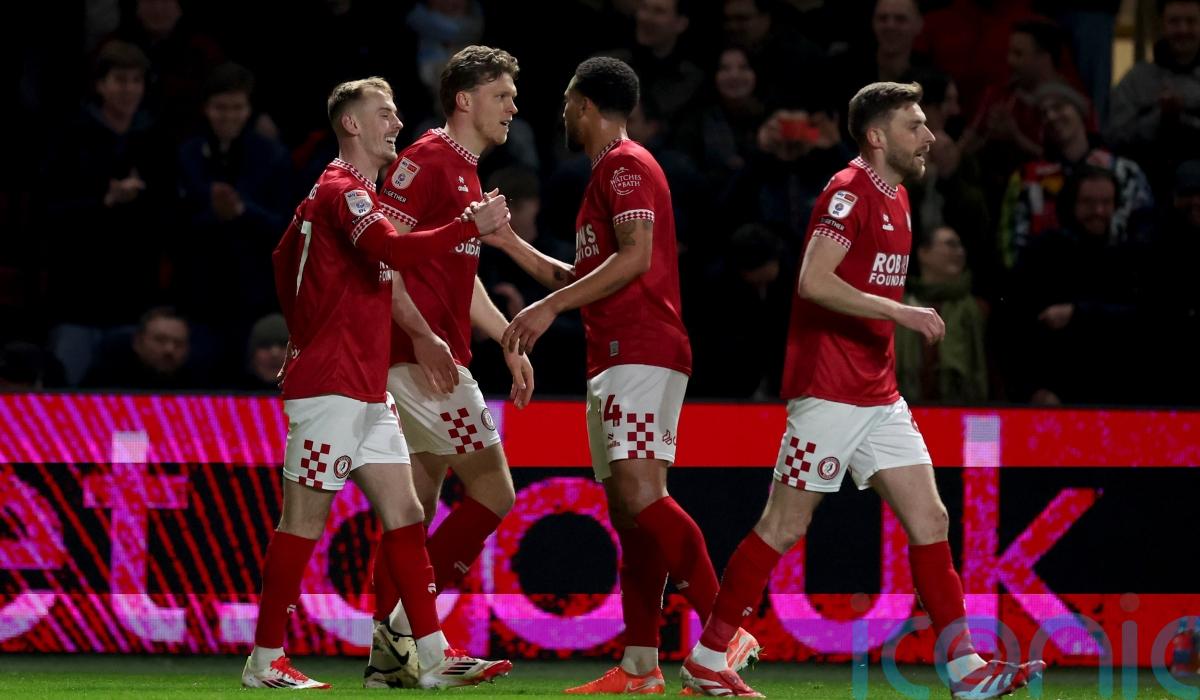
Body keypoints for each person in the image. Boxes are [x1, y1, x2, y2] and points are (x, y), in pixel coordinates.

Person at [678, 82, 1045, 698]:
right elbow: (813, 280)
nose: (929, 136)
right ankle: (709, 658)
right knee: (782, 526)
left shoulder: (897, 194)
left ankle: (966, 673)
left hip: (878, 394)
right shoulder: (847, 192)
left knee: (931, 517)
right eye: (915, 125)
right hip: (828, 391)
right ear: (877, 136)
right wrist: (900, 312)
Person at [483, 56, 759, 695]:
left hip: (641, 347)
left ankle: (724, 630)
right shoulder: (605, 174)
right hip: (614, 353)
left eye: (566, 101)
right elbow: (583, 277)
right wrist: (509, 243)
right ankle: (640, 665)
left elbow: (635, 259)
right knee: (631, 514)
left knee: (642, 496)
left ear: (584, 103)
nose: (562, 112)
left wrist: (549, 307)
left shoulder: (627, 165)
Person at [241, 76, 512, 690]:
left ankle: (432, 657)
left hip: (367, 388)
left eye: (395, 114)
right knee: (302, 523)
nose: (396, 124)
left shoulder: (351, 196)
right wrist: (467, 225)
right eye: (384, 115)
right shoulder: (343, 191)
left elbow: (287, 263)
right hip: (331, 386)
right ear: (352, 124)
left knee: (407, 512)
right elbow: (396, 249)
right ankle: (264, 660)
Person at [365, 45, 535, 689]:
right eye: (502, 95)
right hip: (418, 361)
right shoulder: (428, 160)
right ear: (465, 100)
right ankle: (409, 634)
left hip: (427, 355)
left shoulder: (465, 172)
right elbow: (382, 257)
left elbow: (458, 279)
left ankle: (389, 661)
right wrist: (421, 336)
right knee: (495, 493)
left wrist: (506, 339)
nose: (513, 107)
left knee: (415, 509)